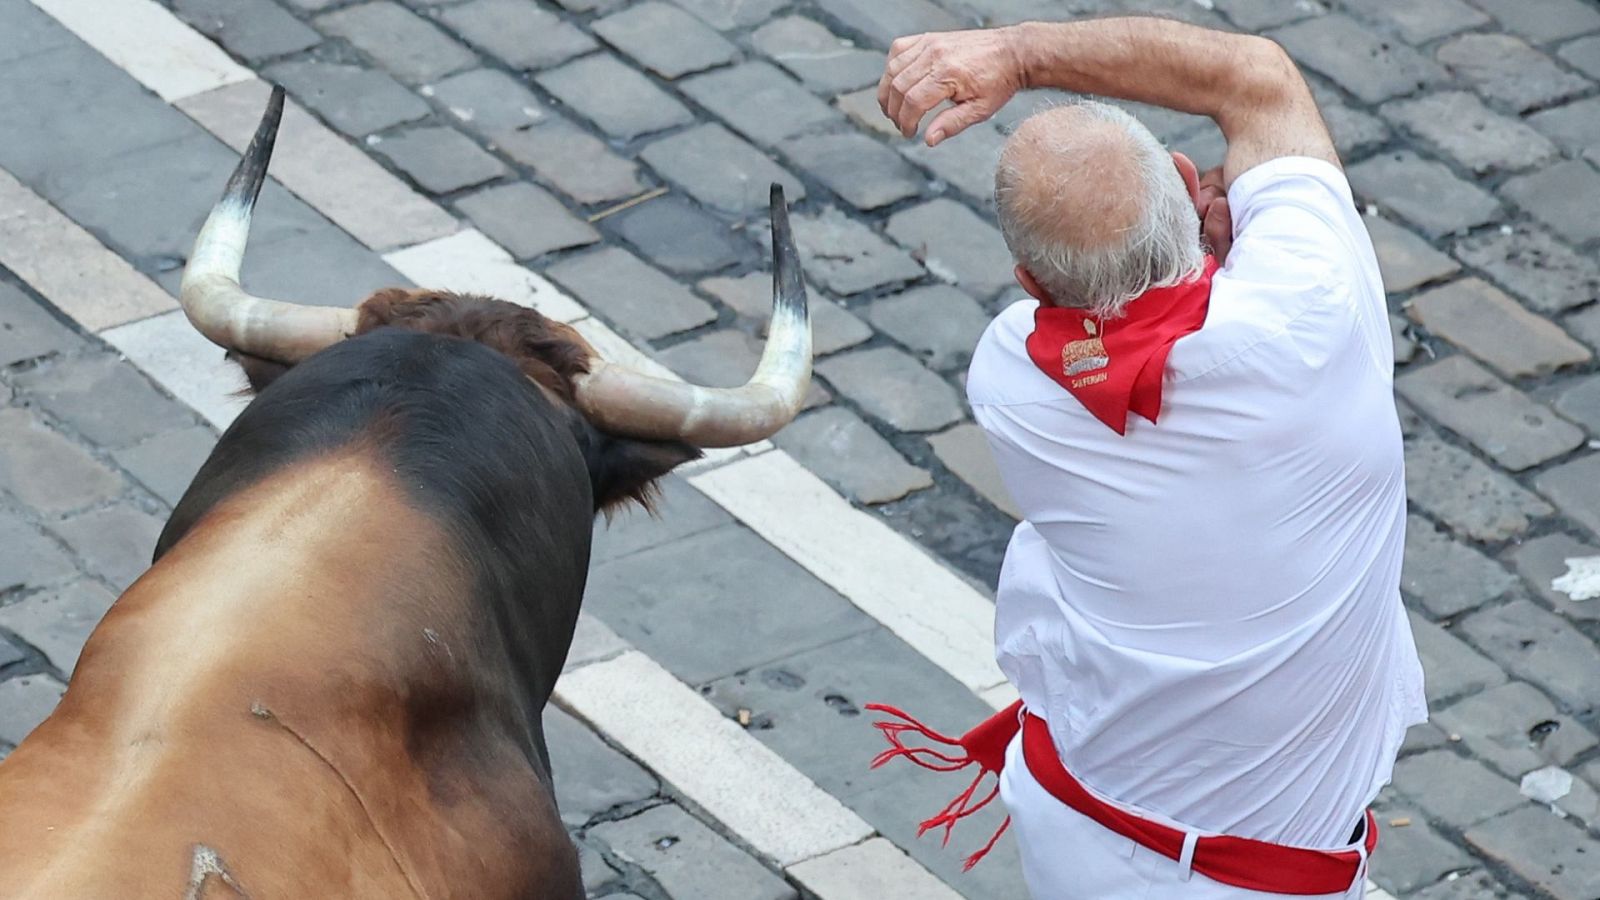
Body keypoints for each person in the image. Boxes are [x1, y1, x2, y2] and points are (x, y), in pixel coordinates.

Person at [868, 16, 1427, 900]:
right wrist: (1016, 54)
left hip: (1076, 836)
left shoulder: (1015, 380)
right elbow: (1256, 79)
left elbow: (1115, 341)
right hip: (1266, 880)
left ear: (1032, 287)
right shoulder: (1313, 306)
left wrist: (1214, 272)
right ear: (1181, 182)